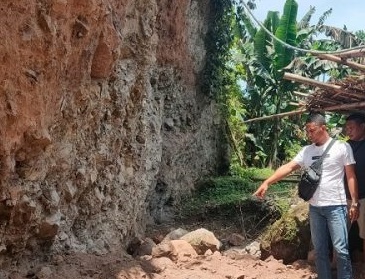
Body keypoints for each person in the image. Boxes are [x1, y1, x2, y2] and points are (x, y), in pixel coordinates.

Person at [253, 112, 359, 279]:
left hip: (336, 206)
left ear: (323, 128)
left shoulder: (342, 147)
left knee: (341, 250)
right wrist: (267, 182)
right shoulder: (306, 151)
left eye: (312, 130)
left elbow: (351, 176)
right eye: (307, 131)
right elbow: (288, 167)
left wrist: (354, 202)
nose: (309, 134)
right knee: (320, 250)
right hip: (315, 208)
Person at [345, 112, 365, 263]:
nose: (348, 131)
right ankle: (336, 263)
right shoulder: (345, 146)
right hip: (345, 198)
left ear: (362, 126)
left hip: (364, 198)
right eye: (347, 128)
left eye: (352, 127)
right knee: (339, 232)